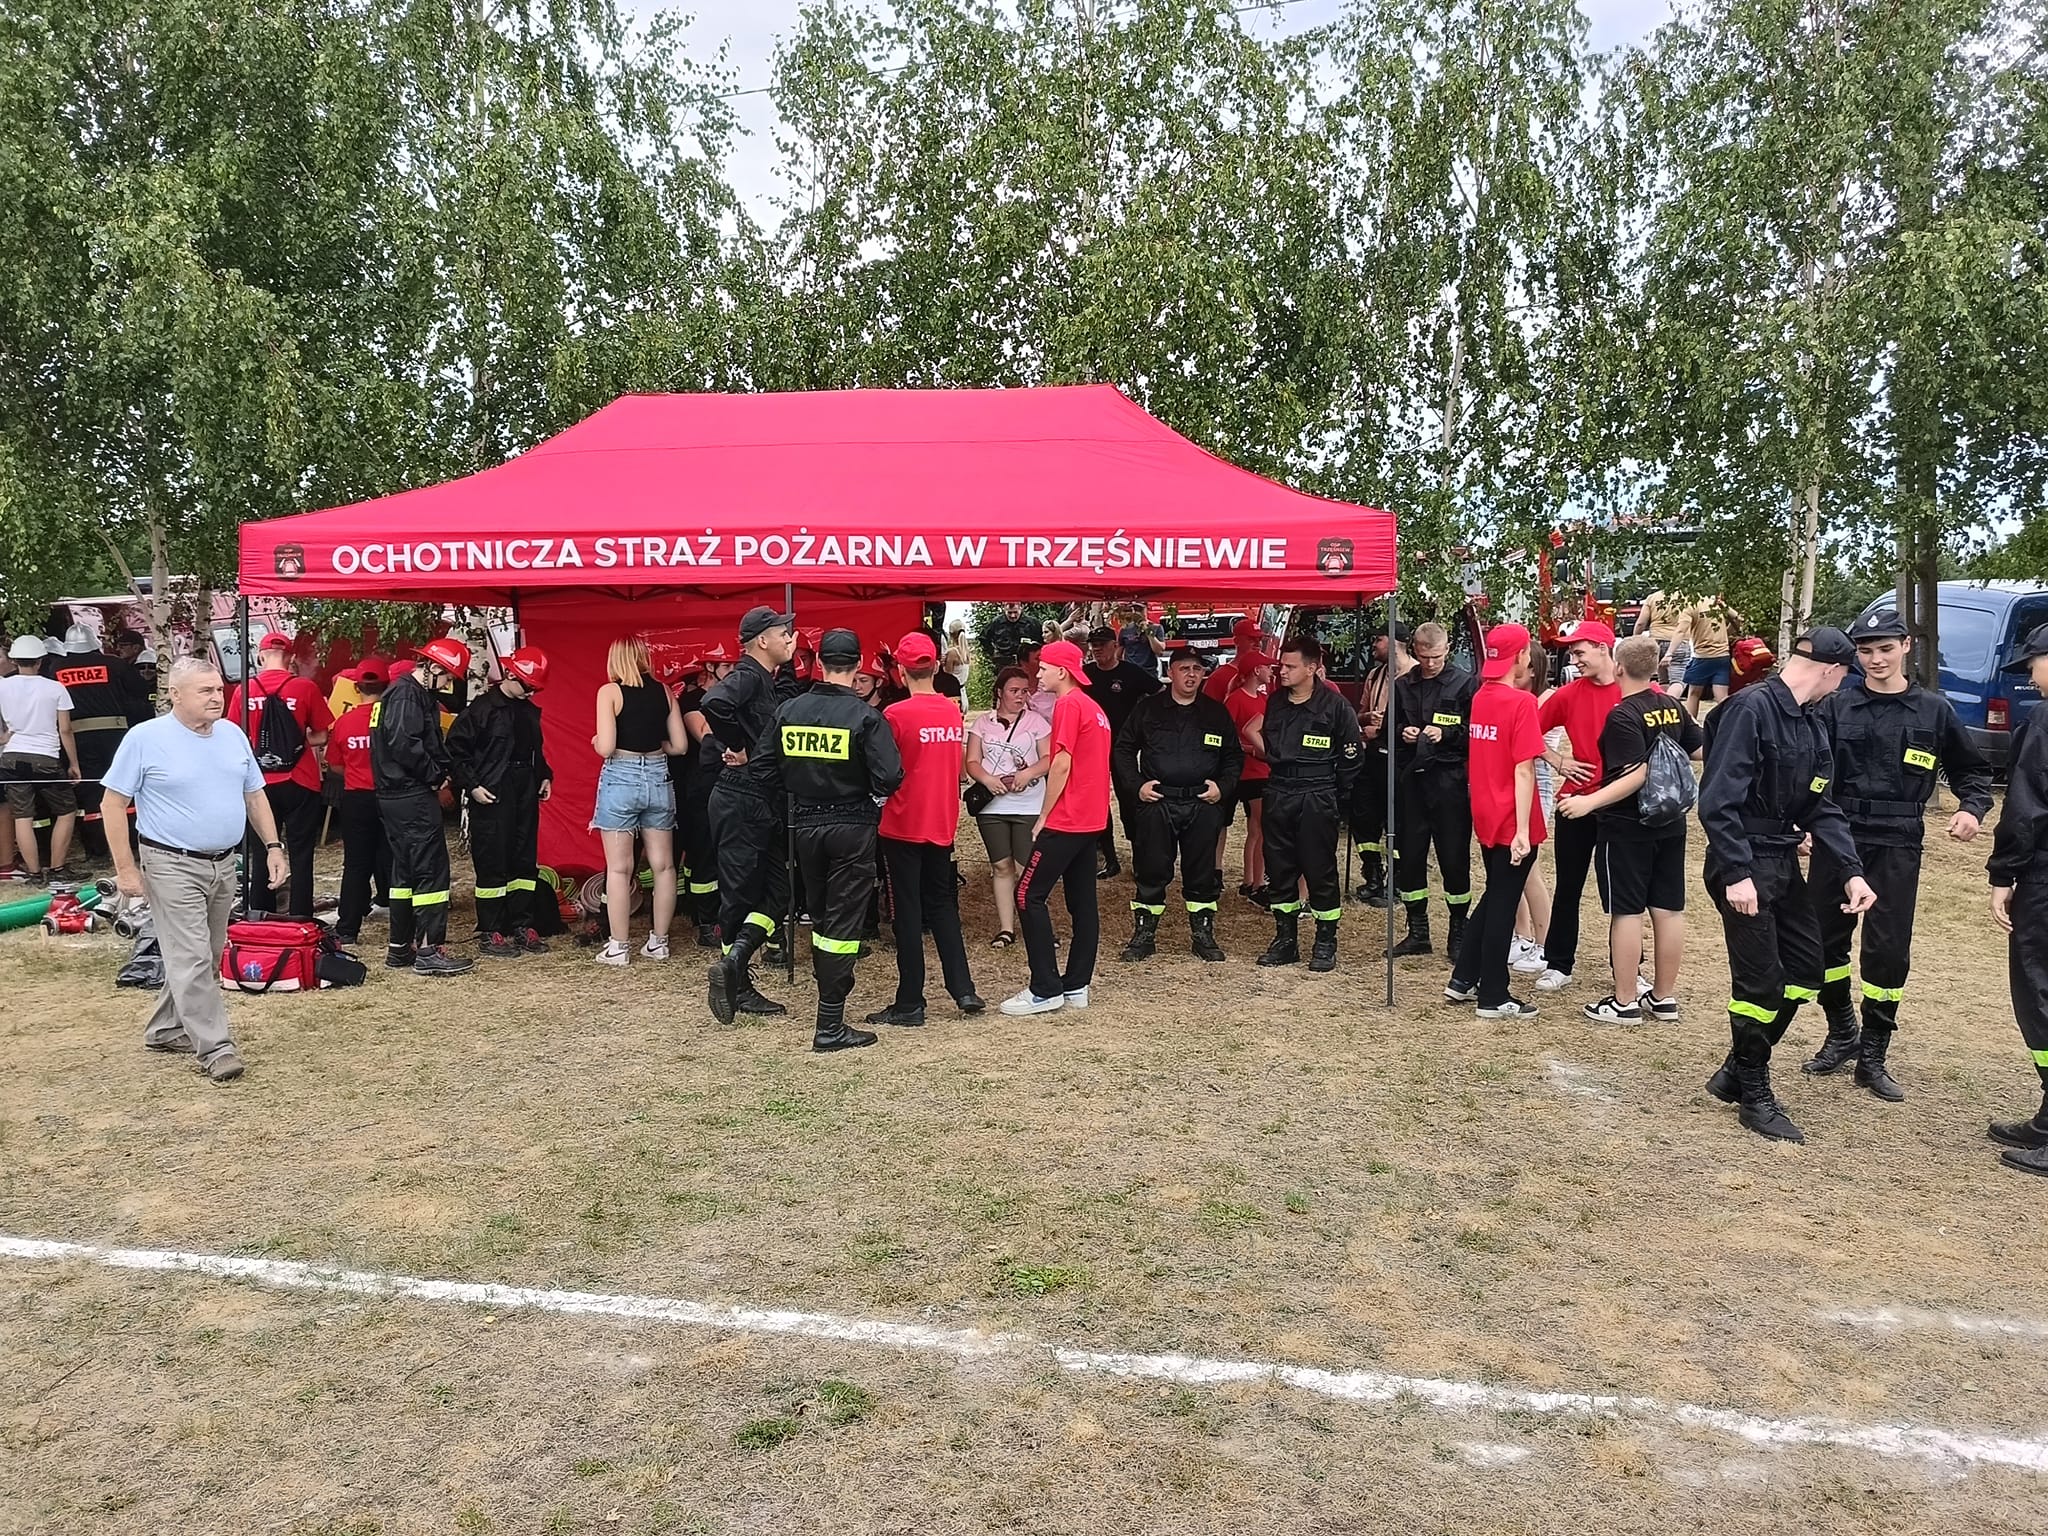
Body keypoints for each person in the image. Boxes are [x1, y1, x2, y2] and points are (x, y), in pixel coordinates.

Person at [1799, 609, 1993, 1100]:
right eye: (1865, 651)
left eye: (1885, 648)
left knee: (1886, 952)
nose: (1876, 659)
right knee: (1822, 943)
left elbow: (1972, 772)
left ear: (1906, 645)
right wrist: (1801, 822)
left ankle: (1874, 1054)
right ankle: (1842, 1030)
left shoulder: (1933, 710)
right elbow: (1806, 768)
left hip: (1898, 841)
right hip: (1838, 837)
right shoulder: (1836, 706)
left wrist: (1971, 808)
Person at [1698, 628, 1875, 1143]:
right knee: (1758, 985)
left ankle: (1736, 1070)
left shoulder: (1811, 721)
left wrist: (1852, 871)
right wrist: (1737, 874)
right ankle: (1754, 1095)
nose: (1841, 687)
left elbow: (1821, 805)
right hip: (1744, 863)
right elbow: (1717, 802)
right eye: (1844, 677)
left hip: (1781, 859)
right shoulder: (1750, 709)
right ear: (1831, 670)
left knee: (1804, 970)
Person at [100, 658, 289, 1084]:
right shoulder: (145, 738)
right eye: (205, 690)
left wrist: (274, 847)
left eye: (218, 689)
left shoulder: (232, 735)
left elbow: (255, 795)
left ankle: (166, 1028)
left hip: (222, 863)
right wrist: (126, 870)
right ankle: (217, 1048)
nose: (217, 697)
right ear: (175, 694)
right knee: (191, 955)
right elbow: (112, 804)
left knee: (205, 953)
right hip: (170, 863)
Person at [728, 629, 904, 1047]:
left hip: (804, 824)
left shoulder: (789, 710)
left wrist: (799, 785)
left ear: (820, 664)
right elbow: (890, 776)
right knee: (842, 925)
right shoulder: (866, 716)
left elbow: (762, 768)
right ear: (857, 665)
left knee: (823, 917)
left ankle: (828, 1016)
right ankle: (829, 1025)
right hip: (853, 826)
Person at [1556, 634, 1703, 1023]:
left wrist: (1588, 802)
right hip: (1670, 822)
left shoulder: (1623, 715)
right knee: (1668, 910)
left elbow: (1635, 774)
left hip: (1627, 825)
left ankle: (1624, 1002)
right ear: (1655, 669)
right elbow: (1698, 748)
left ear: (1619, 667)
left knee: (1627, 911)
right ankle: (1663, 997)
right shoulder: (1671, 705)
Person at [870, 631, 983, 1026]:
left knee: (906, 911)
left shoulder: (895, 715)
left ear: (900, 672)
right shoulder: (952, 712)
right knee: (942, 905)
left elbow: (884, 771)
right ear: (935, 667)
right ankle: (963, 988)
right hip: (941, 821)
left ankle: (910, 1002)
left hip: (902, 823)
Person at [1002, 639, 1112, 1015]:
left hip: (1068, 818)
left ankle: (1044, 988)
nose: (1039, 674)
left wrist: (1044, 815)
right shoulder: (1093, 707)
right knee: (1083, 903)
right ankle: (1076, 984)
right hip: (1091, 818)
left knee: (1027, 895)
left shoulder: (1068, 704)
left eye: (1045, 668)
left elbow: (1061, 763)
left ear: (1062, 672)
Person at [1443, 626, 1546, 1018]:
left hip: (1486, 809)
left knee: (1497, 894)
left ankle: (1464, 977)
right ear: (1520, 657)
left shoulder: (1481, 697)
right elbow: (1523, 769)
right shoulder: (1521, 702)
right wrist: (1523, 830)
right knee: (1503, 903)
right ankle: (1494, 994)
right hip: (1512, 815)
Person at [1114, 649, 1242, 962]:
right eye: (1184, 668)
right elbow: (1123, 749)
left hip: (1202, 803)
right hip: (1159, 803)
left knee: (1202, 873)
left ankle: (1203, 936)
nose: (1191, 675)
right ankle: (1144, 936)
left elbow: (1233, 756)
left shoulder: (1215, 713)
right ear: (1170, 672)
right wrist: (1137, 785)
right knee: (1151, 871)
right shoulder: (1148, 709)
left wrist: (1222, 787)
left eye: (1197, 669)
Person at [1243, 637, 1362, 972]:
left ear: (1311, 668)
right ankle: (1285, 939)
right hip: (1279, 790)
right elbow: (1269, 742)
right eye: (1281, 665)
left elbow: (1352, 757)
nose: (1282, 671)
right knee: (1280, 869)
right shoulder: (1276, 702)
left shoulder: (1335, 706)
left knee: (1319, 868)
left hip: (1317, 793)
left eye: (1290, 666)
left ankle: (1325, 941)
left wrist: (1332, 792)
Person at [702, 607, 799, 1013]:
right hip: (740, 799)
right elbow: (713, 702)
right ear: (762, 640)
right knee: (739, 895)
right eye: (782, 632)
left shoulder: (765, 678)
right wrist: (739, 746)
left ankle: (734, 963)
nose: (789, 638)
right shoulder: (747, 675)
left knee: (779, 893)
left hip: (761, 800)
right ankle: (737, 988)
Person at [370, 635, 475, 977]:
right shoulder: (407, 696)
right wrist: (435, 776)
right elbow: (405, 744)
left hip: (394, 796)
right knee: (431, 870)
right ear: (431, 668)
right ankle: (430, 949)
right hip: (411, 795)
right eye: (446, 677)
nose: (446, 685)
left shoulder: (403, 694)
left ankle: (400, 946)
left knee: (404, 873)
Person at [1528, 622, 1621, 990]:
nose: (1573, 659)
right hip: (1576, 802)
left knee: (1623, 895)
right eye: (1572, 653)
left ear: (1603, 648)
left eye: (1579, 652)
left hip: (1622, 806)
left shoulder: (1633, 690)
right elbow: (1528, 732)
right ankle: (1558, 963)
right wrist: (1557, 759)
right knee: (1568, 886)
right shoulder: (1568, 695)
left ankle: (1629, 970)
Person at [1987, 623, 2048, 1175]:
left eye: (2033, 664)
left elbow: (2027, 807)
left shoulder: (2044, 722)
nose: (2031, 676)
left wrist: (2004, 873)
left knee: (2039, 991)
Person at [449, 646, 554, 960]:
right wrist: (472, 786)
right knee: (492, 860)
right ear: (510, 675)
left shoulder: (528, 711)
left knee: (524, 859)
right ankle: (491, 929)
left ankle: (522, 923)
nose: (531, 693)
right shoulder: (482, 710)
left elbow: (535, 751)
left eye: (535, 688)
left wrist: (545, 776)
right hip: (492, 791)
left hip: (525, 788)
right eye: (528, 686)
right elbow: (455, 752)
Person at [592, 636, 686, 966]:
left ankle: (619, 947)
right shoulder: (664, 692)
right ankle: (659, 943)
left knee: (620, 868)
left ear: (614, 660)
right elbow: (680, 746)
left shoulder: (609, 692)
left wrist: (596, 741)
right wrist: (656, 745)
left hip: (621, 775)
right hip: (659, 775)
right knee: (664, 866)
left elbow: (606, 747)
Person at [225, 630, 332, 917]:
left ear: (261, 656)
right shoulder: (305, 688)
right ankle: (300, 916)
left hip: (258, 783)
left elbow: (234, 736)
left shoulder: (244, 690)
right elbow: (322, 736)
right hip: (301, 779)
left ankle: (260, 915)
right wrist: (294, 741)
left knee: (262, 851)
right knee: (302, 853)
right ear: (291, 658)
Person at [1388, 621, 1477, 957]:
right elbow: (1390, 728)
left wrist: (1447, 734)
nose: (1430, 663)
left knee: (1453, 857)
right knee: (1410, 856)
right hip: (1412, 779)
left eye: (1436, 657)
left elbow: (1474, 731)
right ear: (1415, 651)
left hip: (1448, 779)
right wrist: (1403, 731)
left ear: (1447, 649)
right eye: (1424, 657)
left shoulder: (1465, 683)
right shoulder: (1402, 685)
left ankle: (1458, 931)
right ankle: (1418, 931)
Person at [968, 666, 1052, 949]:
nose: (1020, 696)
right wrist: (987, 780)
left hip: (1029, 803)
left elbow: (1048, 757)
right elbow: (972, 761)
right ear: (999, 692)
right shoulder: (982, 723)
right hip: (993, 806)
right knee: (1001, 866)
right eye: (1014, 691)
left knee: (1027, 867)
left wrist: (1028, 774)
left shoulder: (1037, 722)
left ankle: (1035, 925)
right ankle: (1006, 928)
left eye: (1024, 691)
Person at [0, 634, 81, 883]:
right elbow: (65, 730)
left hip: (11, 756)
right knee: (66, 811)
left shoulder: (3, 686)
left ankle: (34, 873)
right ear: (40, 661)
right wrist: (74, 764)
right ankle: (57, 868)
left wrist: (3, 739)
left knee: (22, 816)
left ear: (14, 660)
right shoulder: (55, 688)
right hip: (46, 756)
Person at [1083, 625, 1161, 878]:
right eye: (1093, 645)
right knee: (1097, 801)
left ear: (1115, 646)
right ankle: (1108, 858)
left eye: (1102, 645)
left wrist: (1145, 721)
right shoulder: (1085, 674)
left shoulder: (1131, 672)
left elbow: (1159, 692)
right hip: (1093, 746)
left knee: (1130, 799)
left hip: (1123, 747)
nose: (1097, 649)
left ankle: (1140, 859)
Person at [53, 623, 134, 862]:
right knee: (122, 786)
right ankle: (129, 842)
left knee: (89, 791)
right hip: (115, 735)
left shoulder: (56, 668)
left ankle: (96, 848)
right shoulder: (114, 664)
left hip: (78, 737)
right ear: (94, 643)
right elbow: (137, 692)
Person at [325, 661, 391, 945]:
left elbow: (334, 765)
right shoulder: (395, 718)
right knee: (396, 859)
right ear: (388, 686)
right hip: (391, 796)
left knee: (355, 865)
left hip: (356, 797)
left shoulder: (344, 722)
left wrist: (356, 770)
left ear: (356, 688)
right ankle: (404, 928)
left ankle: (348, 929)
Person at [1351, 626, 1412, 906]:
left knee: (1399, 822)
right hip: (1372, 758)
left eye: (1378, 639)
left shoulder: (1415, 675)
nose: (1373, 644)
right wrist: (1368, 720)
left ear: (1395, 641)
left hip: (1402, 760)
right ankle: (1373, 876)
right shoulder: (1374, 675)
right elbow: (1359, 715)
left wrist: (1386, 728)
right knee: (1364, 818)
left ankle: (1397, 882)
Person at [1223, 650, 1275, 900]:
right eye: (1267, 667)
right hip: (1249, 771)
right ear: (1256, 670)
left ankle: (1250, 880)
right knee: (1261, 827)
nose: (1271, 671)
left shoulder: (1264, 699)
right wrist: (1250, 749)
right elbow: (1225, 735)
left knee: (1257, 828)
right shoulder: (1235, 699)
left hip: (1263, 769)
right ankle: (1257, 883)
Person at [1680, 596, 1744, 713]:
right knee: (1722, 697)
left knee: (1694, 694)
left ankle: (1691, 722)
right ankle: (1729, 720)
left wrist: (1670, 652)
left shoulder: (1692, 605)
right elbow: (1739, 619)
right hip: (1722, 656)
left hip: (1702, 656)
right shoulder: (1717, 605)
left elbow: (1681, 630)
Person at [1203, 618, 1274, 701]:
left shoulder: (1266, 674)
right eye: (1251, 639)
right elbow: (1207, 708)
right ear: (1236, 641)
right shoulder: (1218, 678)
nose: (1258, 644)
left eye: (1260, 639)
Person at [1632, 591, 1687, 685]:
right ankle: (1673, 694)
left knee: (1663, 680)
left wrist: (1635, 638)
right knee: (1677, 680)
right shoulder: (1687, 598)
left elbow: (1641, 623)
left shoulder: (1652, 597)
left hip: (1656, 642)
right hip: (1678, 642)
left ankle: (1663, 695)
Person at [1116, 604, 1167, 674]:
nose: (1137, 613)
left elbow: (1159, 651)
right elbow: (1118, 655)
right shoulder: (1125, 629)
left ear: (1146, 610)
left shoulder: (1156, 627)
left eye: (1139, 610)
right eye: (1134, 610)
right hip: (1130, 671)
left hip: (1149, 672)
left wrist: (1147, 630)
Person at [985, 602, 1030, 670]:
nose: (1013, 616)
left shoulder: (1032, 623)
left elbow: (1041, 640)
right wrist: (992, 652)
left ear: (1021, 608)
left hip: (1025, 662)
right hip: (1003, 662)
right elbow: (983, 638)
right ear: (1004, 609)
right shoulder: (996, 623)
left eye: (1015, 612)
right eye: (1009, 612)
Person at [943, 619, 974, 698]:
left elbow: (947, 676)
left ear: (951, 634)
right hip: (963, 693)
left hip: (953, 695)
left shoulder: (952, 653)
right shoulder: (966, 652)